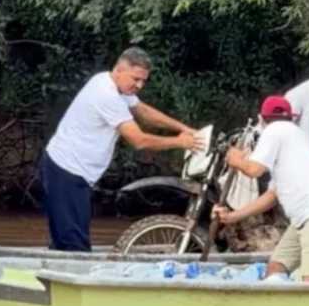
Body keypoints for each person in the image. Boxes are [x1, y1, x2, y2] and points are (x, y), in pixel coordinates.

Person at [41, 47, 204, 251]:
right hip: (66, 171)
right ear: (119, 69)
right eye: (135, 79)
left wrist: (184, 129)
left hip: (73, 172)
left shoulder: (114, 85)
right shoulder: (106, 95)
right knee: (74, 244)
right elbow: (139, 140)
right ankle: (75, 280)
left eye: (143, 81)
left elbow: (142, 111)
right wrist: (180, 142)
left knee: (65, 237)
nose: (139, 85)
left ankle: (54, 273)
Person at [213, 96, 309, 282]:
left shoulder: (274, 130)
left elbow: (254, 170)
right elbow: (272, 195)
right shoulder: (295, 136)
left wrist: (235, 159)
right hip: (304, 218)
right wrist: (234, 216)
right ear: (290, 117)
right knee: (277, 266)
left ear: (261, 119)